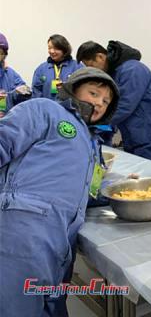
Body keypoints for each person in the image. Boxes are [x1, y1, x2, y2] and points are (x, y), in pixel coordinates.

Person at [0, 67, 119, 317]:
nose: (99, 102)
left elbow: (89, 191)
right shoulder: (44, 109)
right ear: (73, 88)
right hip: (22, 229)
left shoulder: (92, 144)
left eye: (106, 101)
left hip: (60, 243)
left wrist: (120, 192)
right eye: (94, 93)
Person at [77, 40, 151, 161]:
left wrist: (96, 126)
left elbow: (123, 106)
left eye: (91, 66)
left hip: (147, 138)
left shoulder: (132, 69)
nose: (93, 71)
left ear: (100, 56)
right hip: (133, 137)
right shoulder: (117, 73)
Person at [32, 34, 82, 99]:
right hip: (47, 108)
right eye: (49, 48)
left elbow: (83, 91)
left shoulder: (77, 67)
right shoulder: (41, 69)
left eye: (55, 48)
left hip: (69, 108)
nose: (52, 51)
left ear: (64, 49)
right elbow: (36, 91)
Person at [0, 32, 31, 117]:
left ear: (4, 55)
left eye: (1, 53)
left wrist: (23, 92)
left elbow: (23, 98)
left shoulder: (10, 74)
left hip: (7, 124)